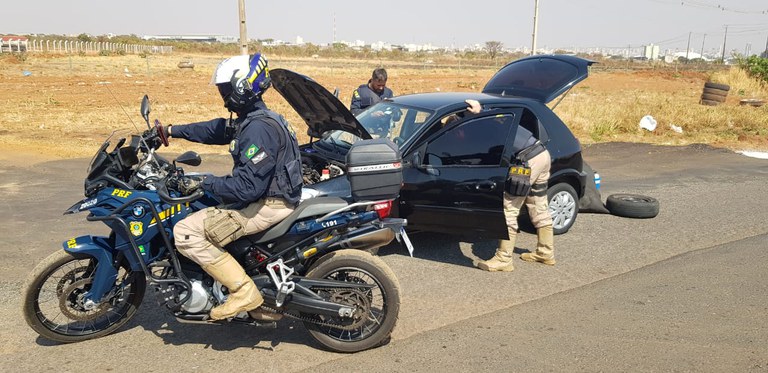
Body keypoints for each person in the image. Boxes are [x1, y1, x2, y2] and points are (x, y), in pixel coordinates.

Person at [166, 53, 303, 320]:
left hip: (267, 204)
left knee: (185, 231)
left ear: (243, 86)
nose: (223, 95)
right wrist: (172, 131)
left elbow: (247, 188)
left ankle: (243, 291)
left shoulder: (258, 128)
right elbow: (216, 130)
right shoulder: (256, 118)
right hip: (272, 198)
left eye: (225, 89)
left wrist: (204, 181)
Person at [468, 99, 555, 272]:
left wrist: (479, 110)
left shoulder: (483, 123)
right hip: (541, 154)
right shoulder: (497, 117)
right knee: (538, 204)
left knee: (508, 208)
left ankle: (504, 259)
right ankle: (546, 252)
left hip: (527, 160)